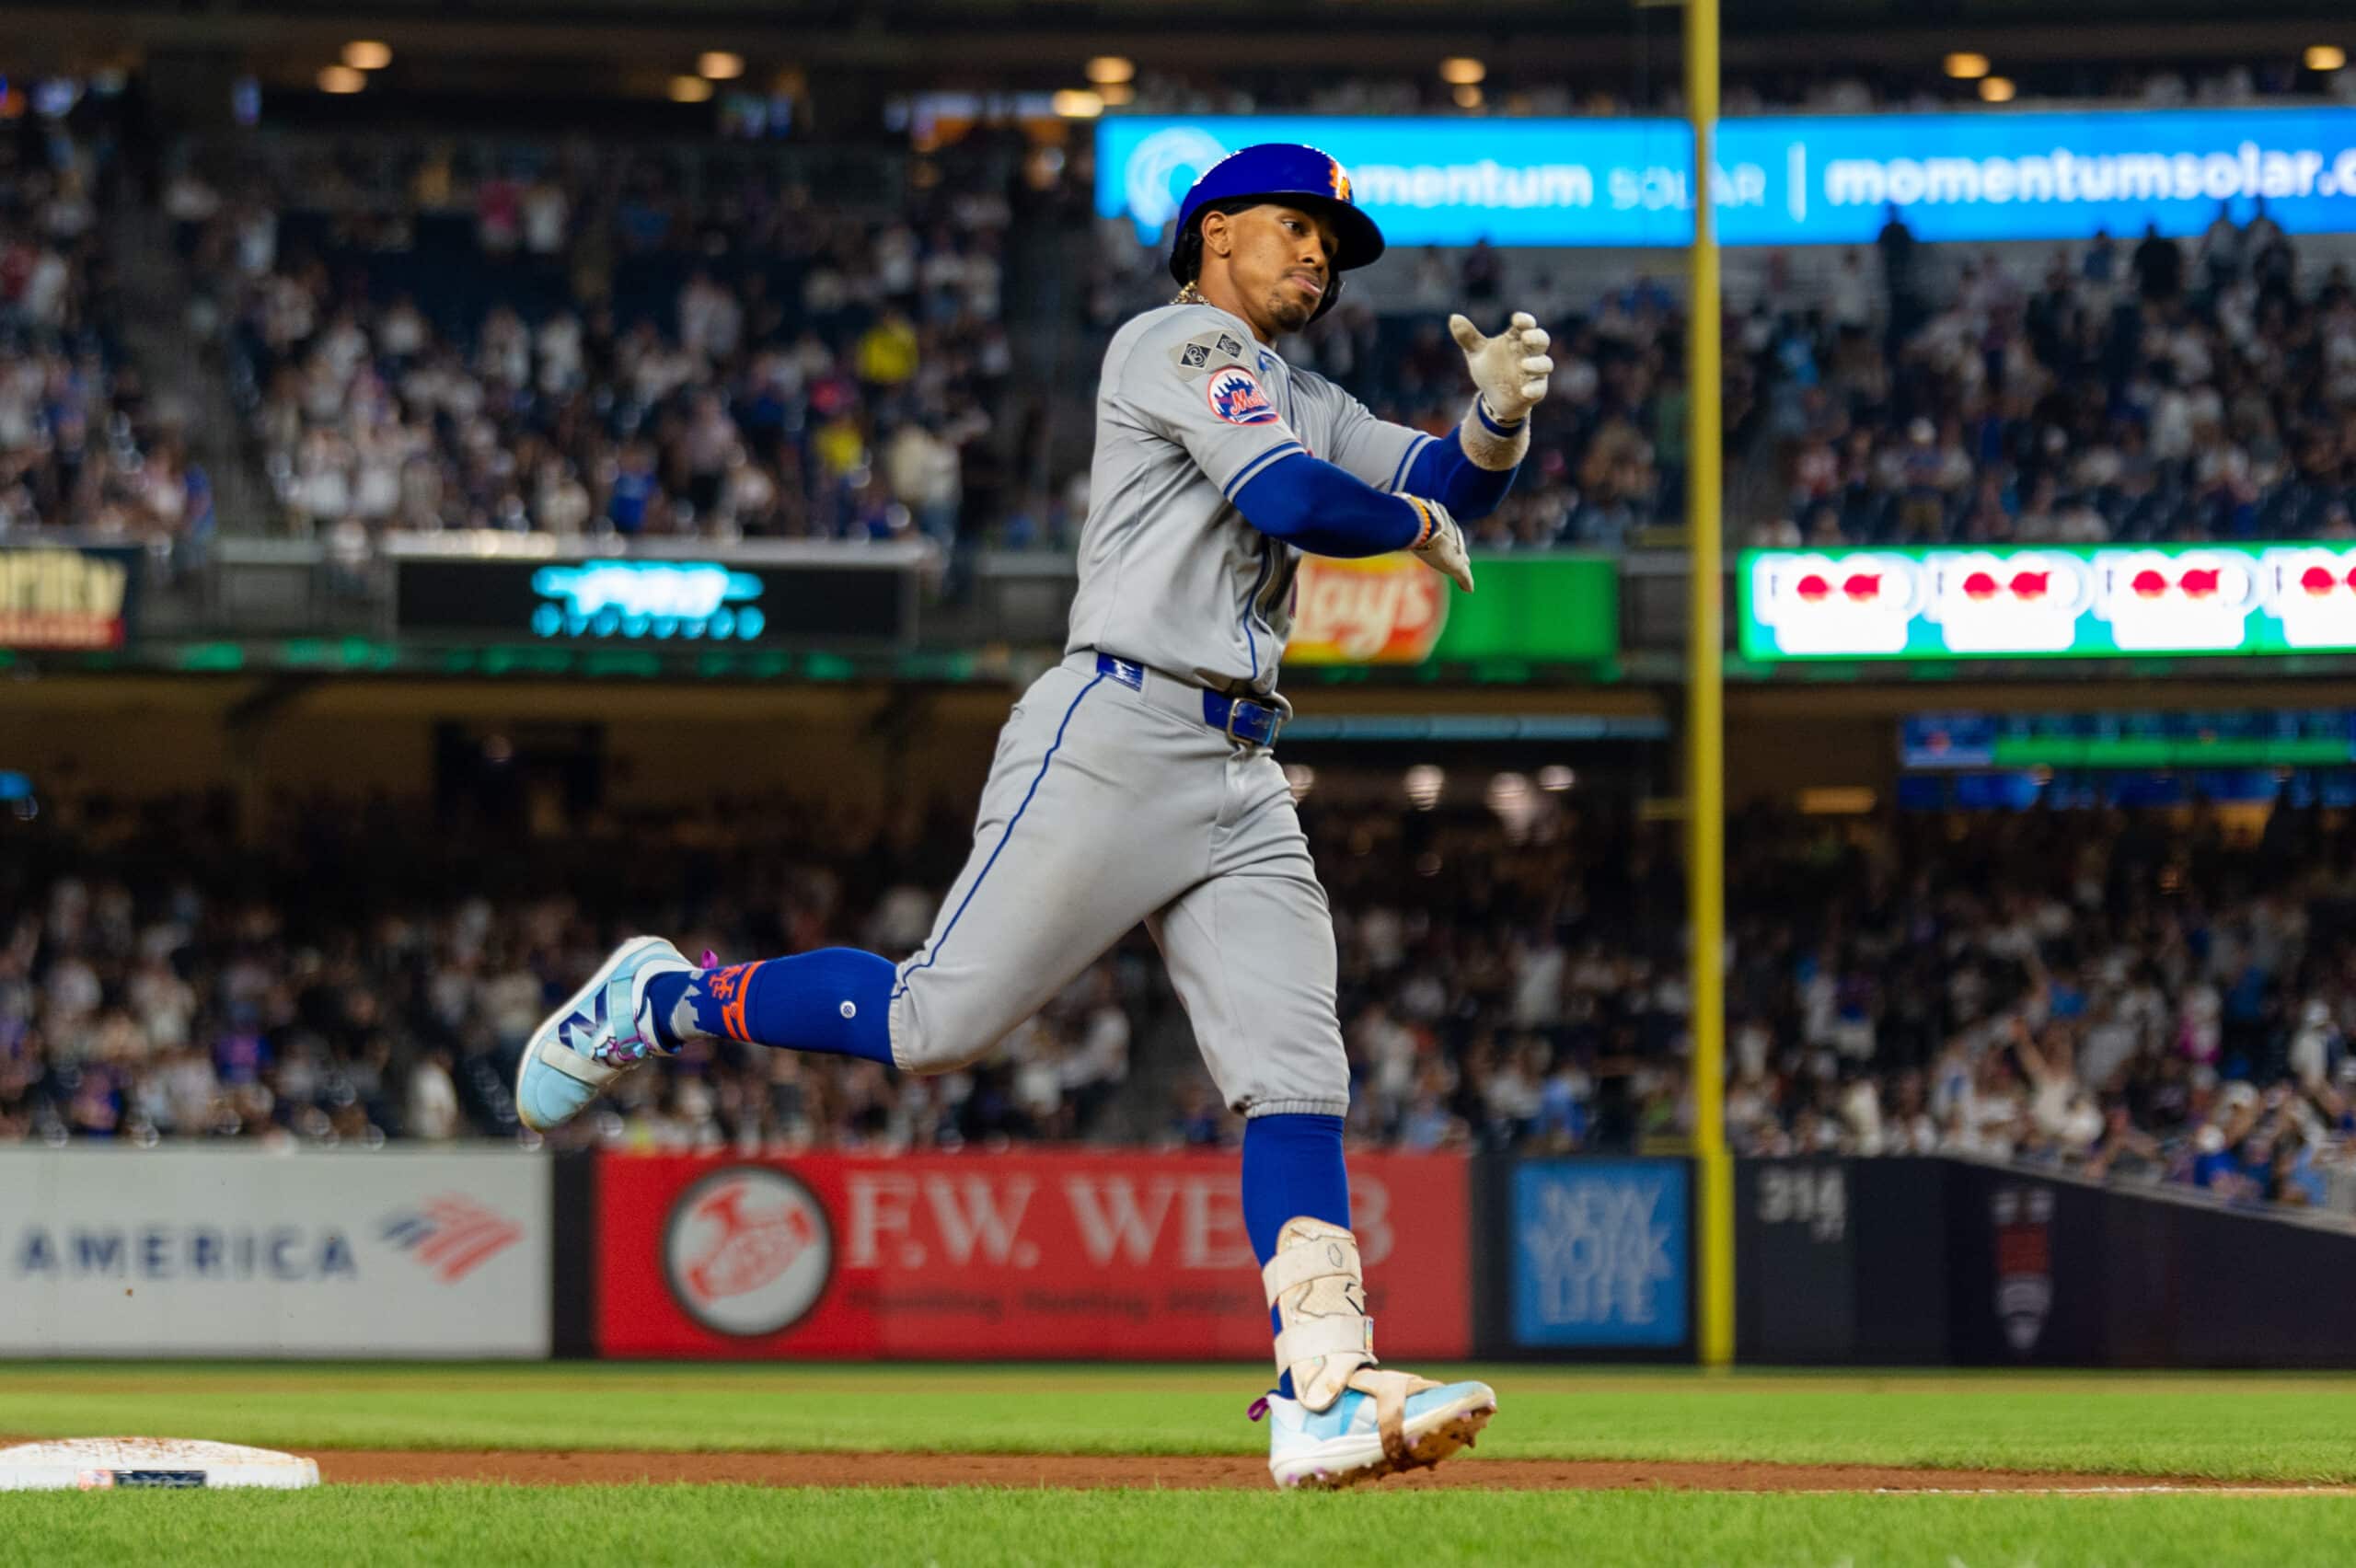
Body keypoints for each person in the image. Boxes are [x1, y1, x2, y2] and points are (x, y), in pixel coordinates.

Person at [514, 144, 1549, 1490]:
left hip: (1241, 767)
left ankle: (1325, 1382)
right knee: (932, 1023)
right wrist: (1414, 511)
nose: (1318, 256)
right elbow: (1289, 496)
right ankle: (665, 1001)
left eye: (1332, 246)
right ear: (1216, 229)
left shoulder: (1302, 391)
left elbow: (1441, 482)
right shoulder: (1177, 344)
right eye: (1299, 228)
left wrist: (1495, 429)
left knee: (1296, 1077)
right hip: (1118, 731)